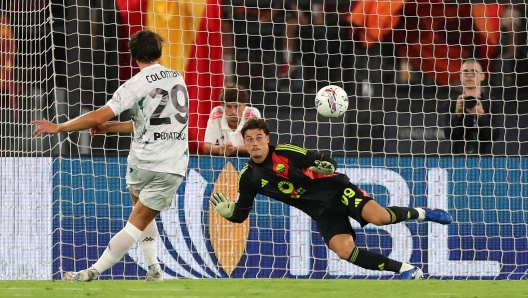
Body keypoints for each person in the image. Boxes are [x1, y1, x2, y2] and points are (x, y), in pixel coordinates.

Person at [32, 30, 189, 282]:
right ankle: (154, 269)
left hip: (145, 161)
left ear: (133, 56)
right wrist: (110, 128)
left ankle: (92, 271)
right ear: (159, 52)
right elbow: (149, 123)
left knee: (137, 219)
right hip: (174, 164)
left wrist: (60, 127)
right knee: (143, 214)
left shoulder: (135, 84)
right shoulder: (178, 79)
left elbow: (97, 116)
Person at [210, 118, 453, 279]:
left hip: (337, 191)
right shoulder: (248, 177)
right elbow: (241, 213)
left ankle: (423, 213)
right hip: (321, 212)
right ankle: (406, 270)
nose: (254, 143)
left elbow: (322, 159)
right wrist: (229, 213)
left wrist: (325, 166)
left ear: (267, 138)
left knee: (380, 218)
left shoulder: (285, 152)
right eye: (249, 139)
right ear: (244, 142)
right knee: (344, 251)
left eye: (259, 137)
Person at [442, 59, 503, 155]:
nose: (469, 75)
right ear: (460, 76)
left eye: (474, 71)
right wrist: (457, 115)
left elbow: (494, 136)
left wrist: (482, 116)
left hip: (485, 159)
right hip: (457, 159)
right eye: (465, 72)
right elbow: (448, 135)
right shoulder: (451, 103)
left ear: (482, 76)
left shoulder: (493, 104)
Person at [203, 84, 261, 156]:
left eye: (236, 106)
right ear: (223, 106)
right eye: (229, 106)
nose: (233, 111)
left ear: (244, 106)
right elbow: (207, 146)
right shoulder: (217, 113)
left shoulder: (252, 114)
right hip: (225, 157)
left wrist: (235, 149)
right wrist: (220, 149)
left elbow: (258, 146)